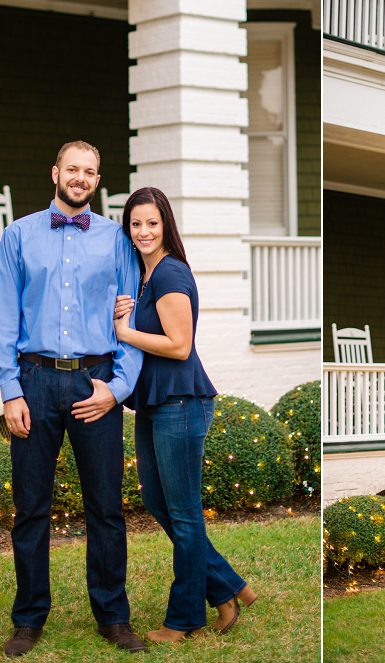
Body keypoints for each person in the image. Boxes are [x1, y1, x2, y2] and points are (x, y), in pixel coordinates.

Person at [0, 141, 147, 657]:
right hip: (34, 383)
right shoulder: (18, 236)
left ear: (97, 182)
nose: (80, 178)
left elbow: (131, 324)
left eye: (90, 172)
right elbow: (5, 319)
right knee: (30, 508)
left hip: (94, 382)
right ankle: (29, 617)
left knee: (105, 508)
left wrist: (117, 388)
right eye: (72, 169)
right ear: (55, 172)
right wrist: (11, 391)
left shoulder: (116, 240)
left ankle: (113, 615)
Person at [112, 187, 256, 644]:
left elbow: (179, 346)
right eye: (135, 223)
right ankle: (229, 585)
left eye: (152, 223)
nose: (143, 231)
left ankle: (185, 617)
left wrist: (126, 332)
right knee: (158, 501)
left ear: (166, 224)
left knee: (185, 513)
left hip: (181, 403)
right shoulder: (142, 273)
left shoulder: (171, 273)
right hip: (155, 402)